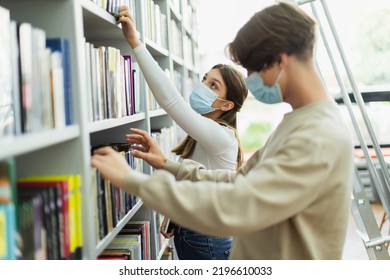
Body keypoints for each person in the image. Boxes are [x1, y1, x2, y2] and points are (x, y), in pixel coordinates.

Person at [92, 2, 354, 259]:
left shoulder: (317, 134)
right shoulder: (298, 122)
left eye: (252, 69)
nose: (251, 79)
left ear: (279, 61)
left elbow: (240, 204)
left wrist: (135, 181)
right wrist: (166, 164)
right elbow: (239, 182)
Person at [116, 6, 248, 260]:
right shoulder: (206, 134)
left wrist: (135, 43)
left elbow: (172, 102)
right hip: (198, 234)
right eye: (205, 79)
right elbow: (196, 177)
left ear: (227, 105)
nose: (203, 86)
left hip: (206, 238)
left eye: (213, 85)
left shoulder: (222, 136)